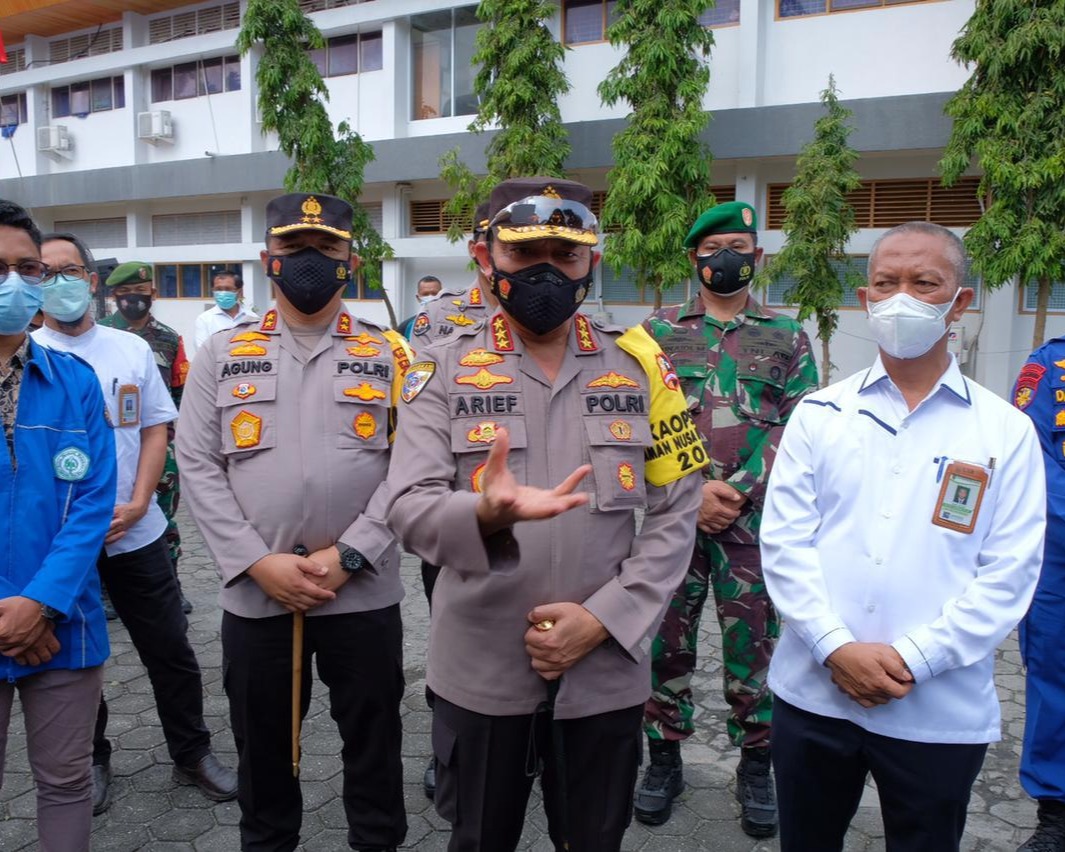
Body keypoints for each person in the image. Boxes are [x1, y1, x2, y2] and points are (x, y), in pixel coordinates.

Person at [387, 176, 706, 852]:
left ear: (592, 260)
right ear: (485, 259)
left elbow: (679, 509)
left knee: (592, 840)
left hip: (604, 672)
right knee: (478, 838)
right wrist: (483, 513)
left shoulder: (644, 365)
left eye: (565, 256)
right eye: (524, 255)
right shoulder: (437, 370)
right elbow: (408, 509)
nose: (545, 274)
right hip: (480, 669)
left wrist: (605, 618)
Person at [760, 221, 1046, 852]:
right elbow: (784, 546)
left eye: (925, 283)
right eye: (885, 284)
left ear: (959, 302)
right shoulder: (819, 415)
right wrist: (835, 647)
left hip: (936, 707)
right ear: (865, 300)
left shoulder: (1004, 432)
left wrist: (914, 658)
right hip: (814, 694)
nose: (901, 299)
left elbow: (1009, 575)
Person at [176, 192, 411, 852]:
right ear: (266, 261)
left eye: (326, 249)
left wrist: (355, 551)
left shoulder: (387, 352)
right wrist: (255, 562)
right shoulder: (222, 354)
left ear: (350, 260)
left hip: (361, 593)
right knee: (265, 756)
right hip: (257, 599)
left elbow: (412, 463)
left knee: (374, 747)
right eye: (292, 250)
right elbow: (197, 464)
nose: (309, 262)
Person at [34, 232, 237, 816]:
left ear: (92, 281)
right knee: (75, 656)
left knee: (169, 647)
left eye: (69, 271)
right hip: (60, 542)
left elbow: (154, 428)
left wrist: (142, 499)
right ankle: (89, 759)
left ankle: (191, 752)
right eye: (44, 274)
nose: (59, 284)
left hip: (136, 530)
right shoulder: (26, 353)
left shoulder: (129, 350)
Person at [634, 201, 818, 835]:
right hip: (674, 522)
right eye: (712, 249)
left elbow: (802, 425)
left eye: (738, 246)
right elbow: (641, 420)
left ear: (757, 257)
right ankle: (663, 759)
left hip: (752, 525)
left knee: (755, 649)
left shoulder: (788, 336)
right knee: (665, 641)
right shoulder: (657, 332)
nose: (725, 258)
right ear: (694, 258)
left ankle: (757, 767)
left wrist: (735, 490)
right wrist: (696, 493)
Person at [0, 199, 117, 851]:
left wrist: (40, 603)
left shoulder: (74, 381)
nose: (14, 282)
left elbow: (94, 502)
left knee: (66, 783)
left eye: (26, 268)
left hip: (62, 623)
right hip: (20, 618)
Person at [409, 202, 496, 800]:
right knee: (451, 632)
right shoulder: (437, 319)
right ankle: (449, 750)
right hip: (453, 516)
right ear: (480, 248)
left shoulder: (568, 313)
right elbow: (417, 408)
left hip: (534, 510)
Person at [98, 261, 193, 614]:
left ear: (152, 294)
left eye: (140, 293)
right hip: (112, 444)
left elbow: (180, 392)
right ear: (113, 296)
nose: (133, 300)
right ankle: (107, 590)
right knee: (108, 516)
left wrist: (175, 437)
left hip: (159, 445)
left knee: (165, 517)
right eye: (124, 294)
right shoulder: (100, 332)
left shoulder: (170, 338)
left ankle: (171, 584)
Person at [1011, 335, 1065, 852]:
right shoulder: (1051, 363)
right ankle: (1057, 813)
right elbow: (1032, 456)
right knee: (1054, 680)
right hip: (1060, 554)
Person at [193, 269, 258, 352]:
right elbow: (203, 352)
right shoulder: (204, 319)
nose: (223, 293)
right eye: (218, 289)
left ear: (239, 291)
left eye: (228, 289)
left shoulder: (253, 318)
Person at [397, 274, 442, 339]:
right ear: (418, 298)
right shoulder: (405, 326)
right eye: (425, 294)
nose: (430, 297)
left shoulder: (454, 323)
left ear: (443, 295)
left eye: (435, 293)